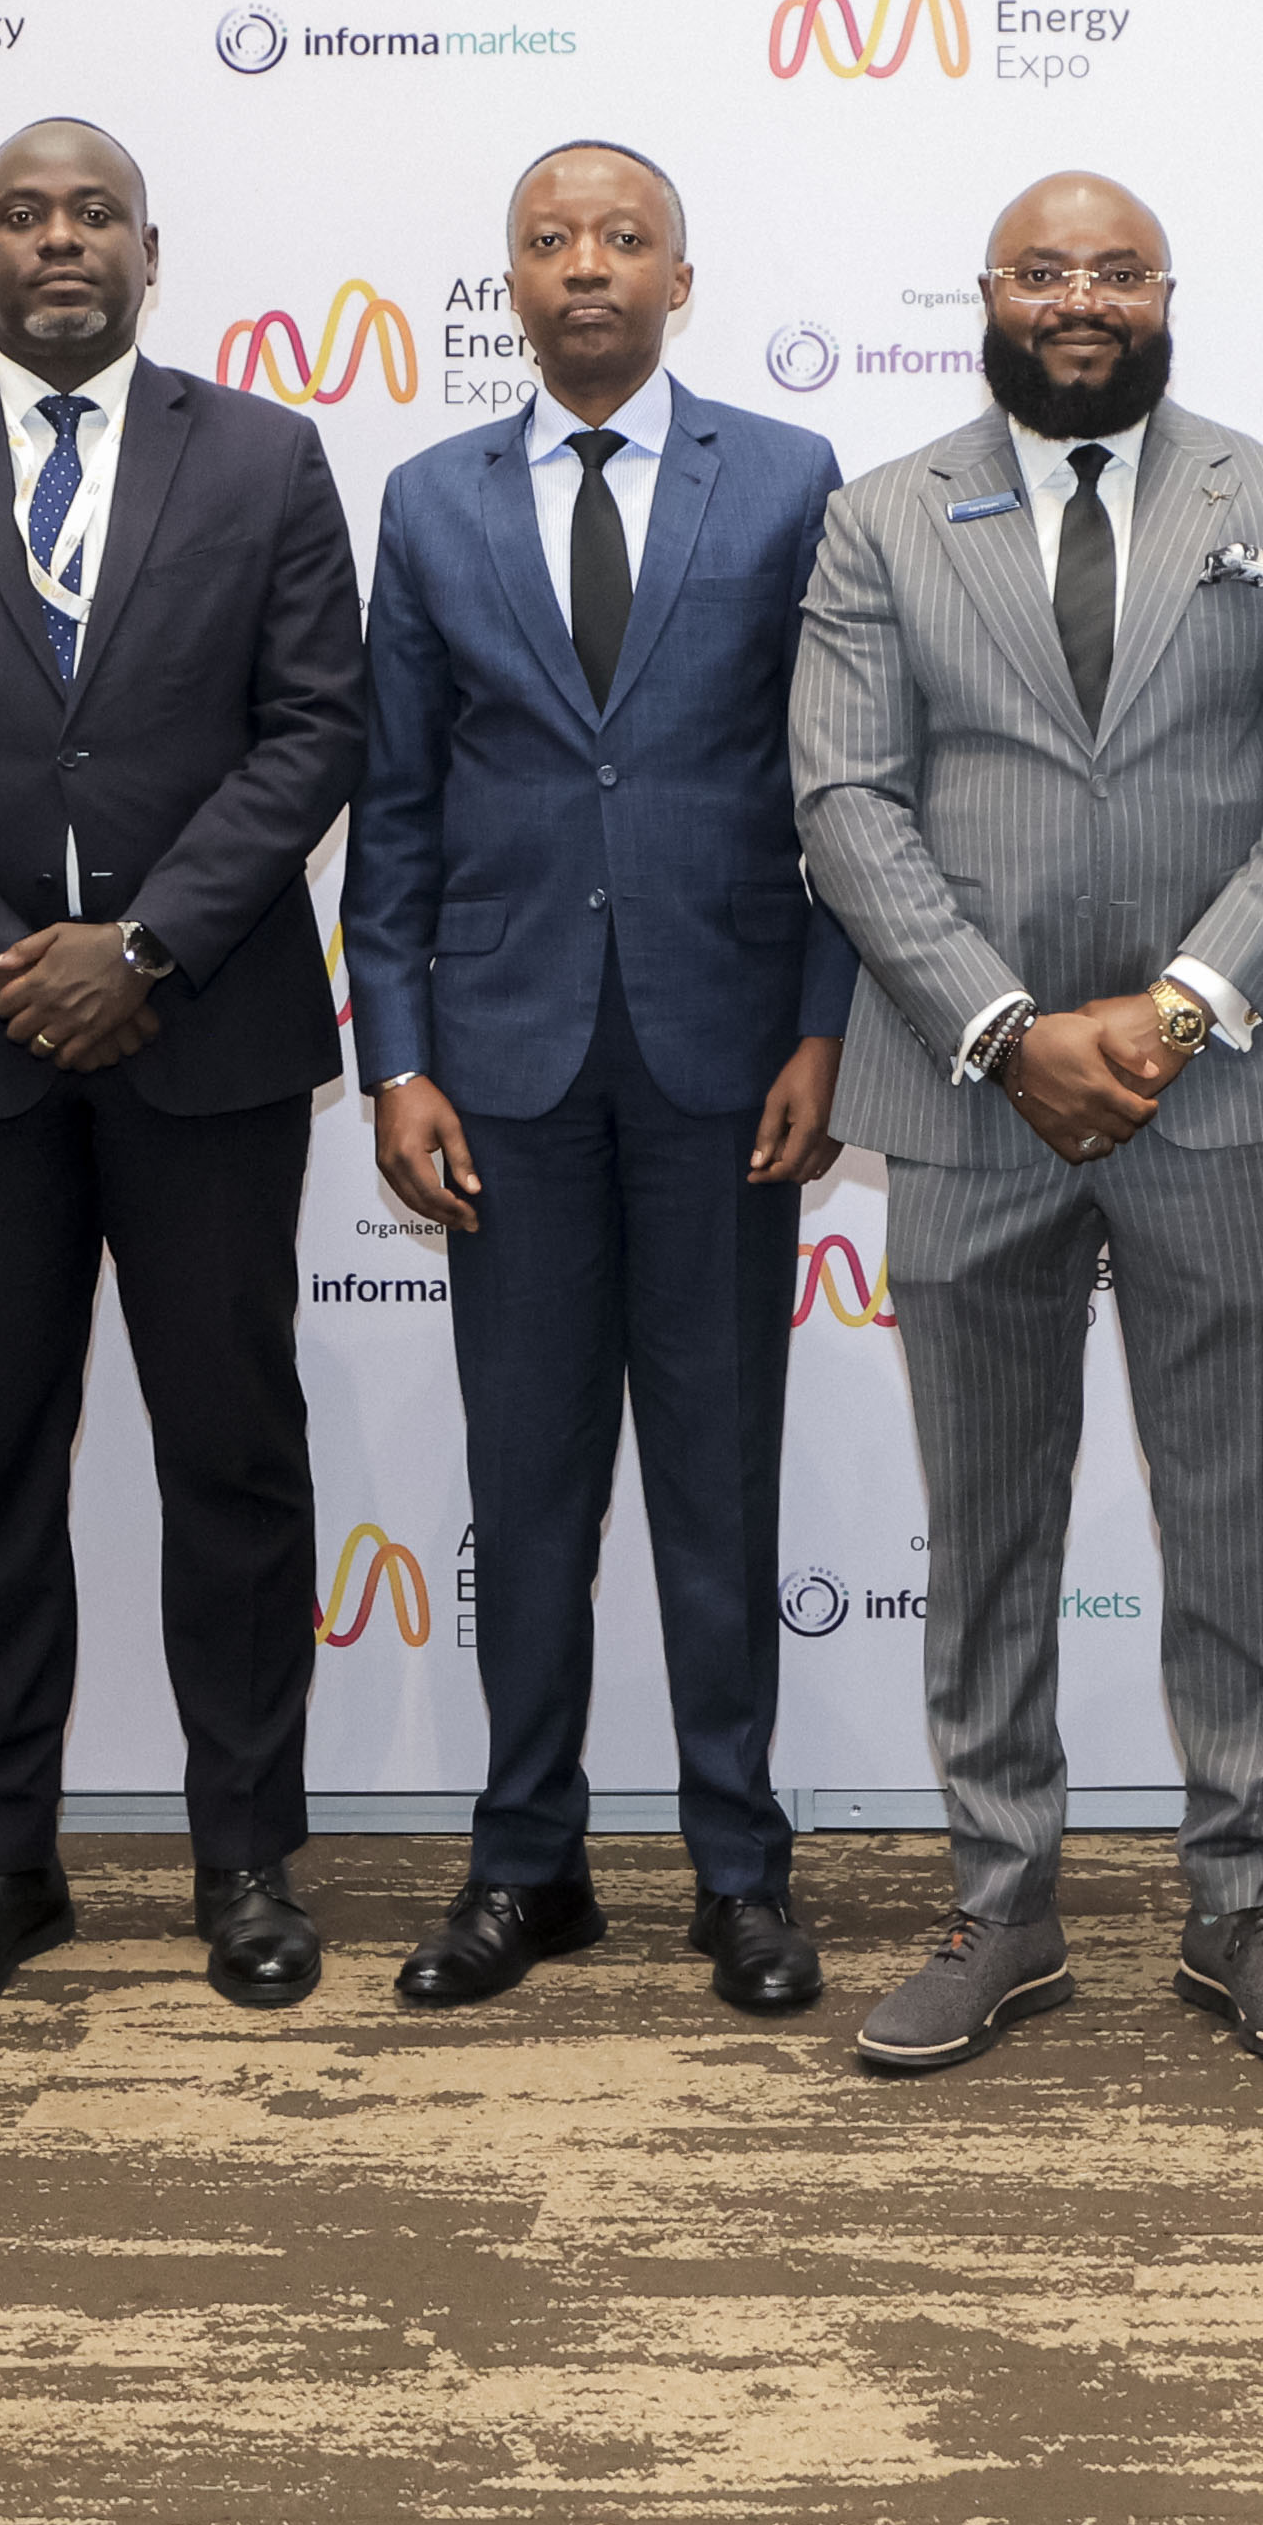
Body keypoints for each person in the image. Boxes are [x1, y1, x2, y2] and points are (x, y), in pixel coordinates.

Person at [788, 171, 1263, 2073]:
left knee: (1227, 1517)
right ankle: (1004, 1904)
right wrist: (1003, 1028)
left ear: (1165, 290)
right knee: (986, 1528)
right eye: (1044, 271)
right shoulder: (883, 513)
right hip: (970, 1098)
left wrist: (1179, 1004)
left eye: (1115, 271)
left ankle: (1241, 1903)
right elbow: (847, 799)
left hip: (1215, 1094)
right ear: (987, 293)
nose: (1080, 299)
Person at [0, 117, 370, 2021]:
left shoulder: (265, 455)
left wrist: (150, 943)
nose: (58, 240)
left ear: (148, 250)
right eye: (21, 215)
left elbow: (316, 729)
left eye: (93, 212)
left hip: (209, 1036)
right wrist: (1, 961)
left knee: (235, 1456)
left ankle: (246, 1854)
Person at [348, 142, 857, 2018]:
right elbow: (396, 803)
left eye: (623, 239)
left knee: (719, 1483)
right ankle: (525, 1862)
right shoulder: (430, 498)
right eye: (551, 240)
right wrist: (395, 1055)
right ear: (509, 281)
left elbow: (838, 784)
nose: (587, 266)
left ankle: (740, 1869)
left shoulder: (788, 477)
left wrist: (826, 1026)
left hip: (730, 1056)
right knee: (529, 1481)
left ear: (680, 278)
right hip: (504, 1066)